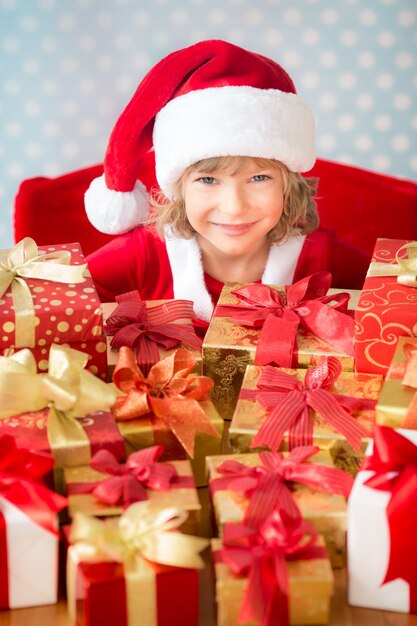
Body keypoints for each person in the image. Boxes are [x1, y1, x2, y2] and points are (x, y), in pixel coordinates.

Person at [85, 39, 368, 328]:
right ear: (179, 190)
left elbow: (396, 306)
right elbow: (54, 306)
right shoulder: (146, 255)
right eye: (208, 180)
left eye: (258, 178)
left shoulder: (321, 257)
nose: (234, 207)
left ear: (287, 185)